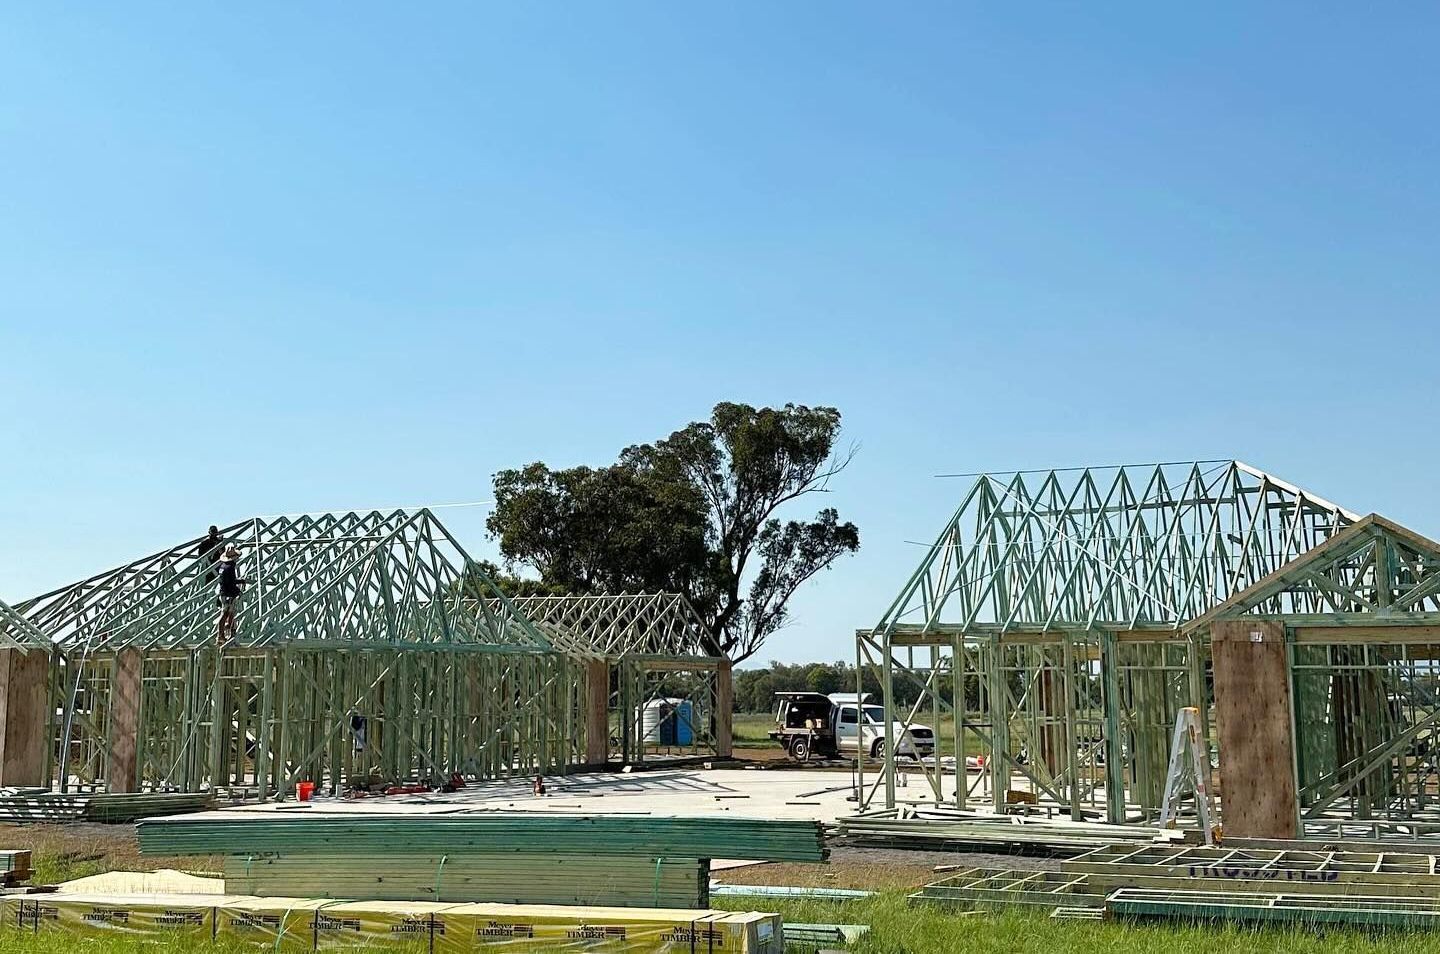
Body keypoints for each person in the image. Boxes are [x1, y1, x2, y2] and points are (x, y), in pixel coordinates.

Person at [215, 545, 247, 645]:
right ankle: (221, 635)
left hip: (223, 592)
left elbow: (228, 581)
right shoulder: (230, 567)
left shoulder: (223, 566)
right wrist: (238, 591)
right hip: (227, 593)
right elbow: (230, 583)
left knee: (229, 612)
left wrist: (239, 581)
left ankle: (227, 632)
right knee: (225, 613)